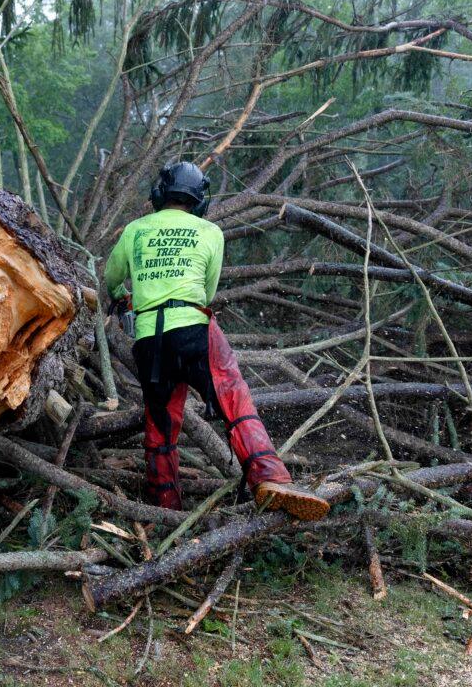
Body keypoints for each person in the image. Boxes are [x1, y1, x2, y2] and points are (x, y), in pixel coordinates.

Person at [103, 162, 330, 520]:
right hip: (194, 331)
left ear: (159, 194)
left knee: (160, 426)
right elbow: (206, 294)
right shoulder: (209, 232)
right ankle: (269, 476)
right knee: (233, 398)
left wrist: (124, 296)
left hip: (149, 341)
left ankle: (167, 509)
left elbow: (111, 277)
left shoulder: (134, 230)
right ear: (199, 201)